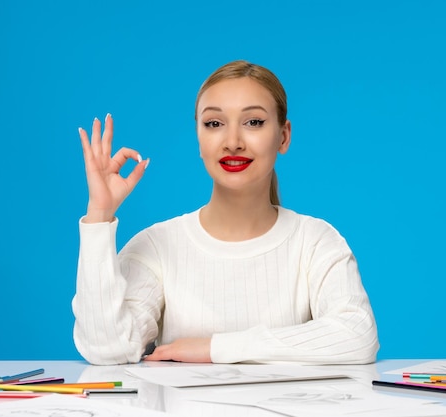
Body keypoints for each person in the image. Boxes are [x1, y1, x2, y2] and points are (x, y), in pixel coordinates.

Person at [72, 60, 379, 365]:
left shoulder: (315, 241)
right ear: (198, 137)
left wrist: (214, 349)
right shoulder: (156, 246)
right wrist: (99, 213)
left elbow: (357, 336)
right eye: (214, 124)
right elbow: (107, 348)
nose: (232, 142)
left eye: (254, 122)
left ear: (283, 136)